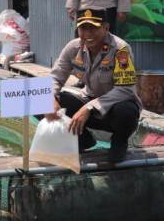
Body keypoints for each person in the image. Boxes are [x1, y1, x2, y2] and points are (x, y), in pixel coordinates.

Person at [48, 9, 142, 163]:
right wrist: (51, 97)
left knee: (126, 111)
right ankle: (82, 139)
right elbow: (55, 77)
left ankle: (119, 143)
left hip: (114, 109)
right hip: (88, 101)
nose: (88, 33)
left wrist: (89, 108)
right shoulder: (73, 47)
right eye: (83, 28)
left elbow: (126, 89)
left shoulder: (121, 49)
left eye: (93, 27)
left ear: (106, 27)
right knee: (42, 100)